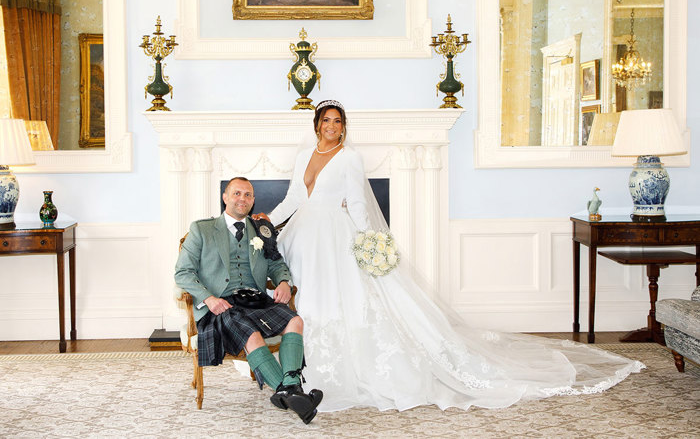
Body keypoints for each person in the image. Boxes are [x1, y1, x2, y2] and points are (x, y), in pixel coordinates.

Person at [254, 100, 645, 412]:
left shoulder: (351, 159)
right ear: (317, 124)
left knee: (340, 298)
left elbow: (357, 204)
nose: (332, 126)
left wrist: (370, 242)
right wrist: (267, 220)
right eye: (326, 120)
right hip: (305, 234)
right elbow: (293, 198)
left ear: (344, 126)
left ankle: (328, 368)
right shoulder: (304, 154)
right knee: (302, 297)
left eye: (338, 121)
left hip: (336, 235)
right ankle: (296, 363)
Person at [175, 177, 323, 423]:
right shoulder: (202, 229)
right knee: (251, 333)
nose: (242, 199)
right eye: (236, 193)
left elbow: (276, 263)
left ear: (253, 201)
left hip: (254, 301)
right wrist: (209, 299)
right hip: (220, 306)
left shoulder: (262, 230)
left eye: (247, 195)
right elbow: (182, 272)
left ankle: (288, 390)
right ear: (225, 197)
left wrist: (284, 281)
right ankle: (292, 392)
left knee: (294, 321)